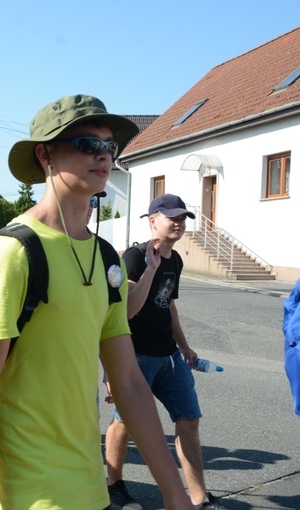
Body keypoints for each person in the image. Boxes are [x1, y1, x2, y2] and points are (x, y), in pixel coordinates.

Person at [0, 96, 193, 510]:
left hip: (90, 486)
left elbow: (130, 381)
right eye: (87, 143)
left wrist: (175, 492)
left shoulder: (106, 258)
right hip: (31, 491)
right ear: (45, 154)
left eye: (109, 146)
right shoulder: (13, 252)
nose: (103, 155)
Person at [104, 194, 226, 509]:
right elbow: (127, 311)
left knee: (189, 420)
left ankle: (199, 496)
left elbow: (167, 304)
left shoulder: (177, 260)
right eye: (172, 217)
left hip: (169, 356)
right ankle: (114, 483)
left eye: (183, 218)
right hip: (136, 356)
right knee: (125, 422)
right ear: (152, 220)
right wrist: (149, 268)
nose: (179, 223)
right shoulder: (133, 257)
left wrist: (185, 347)